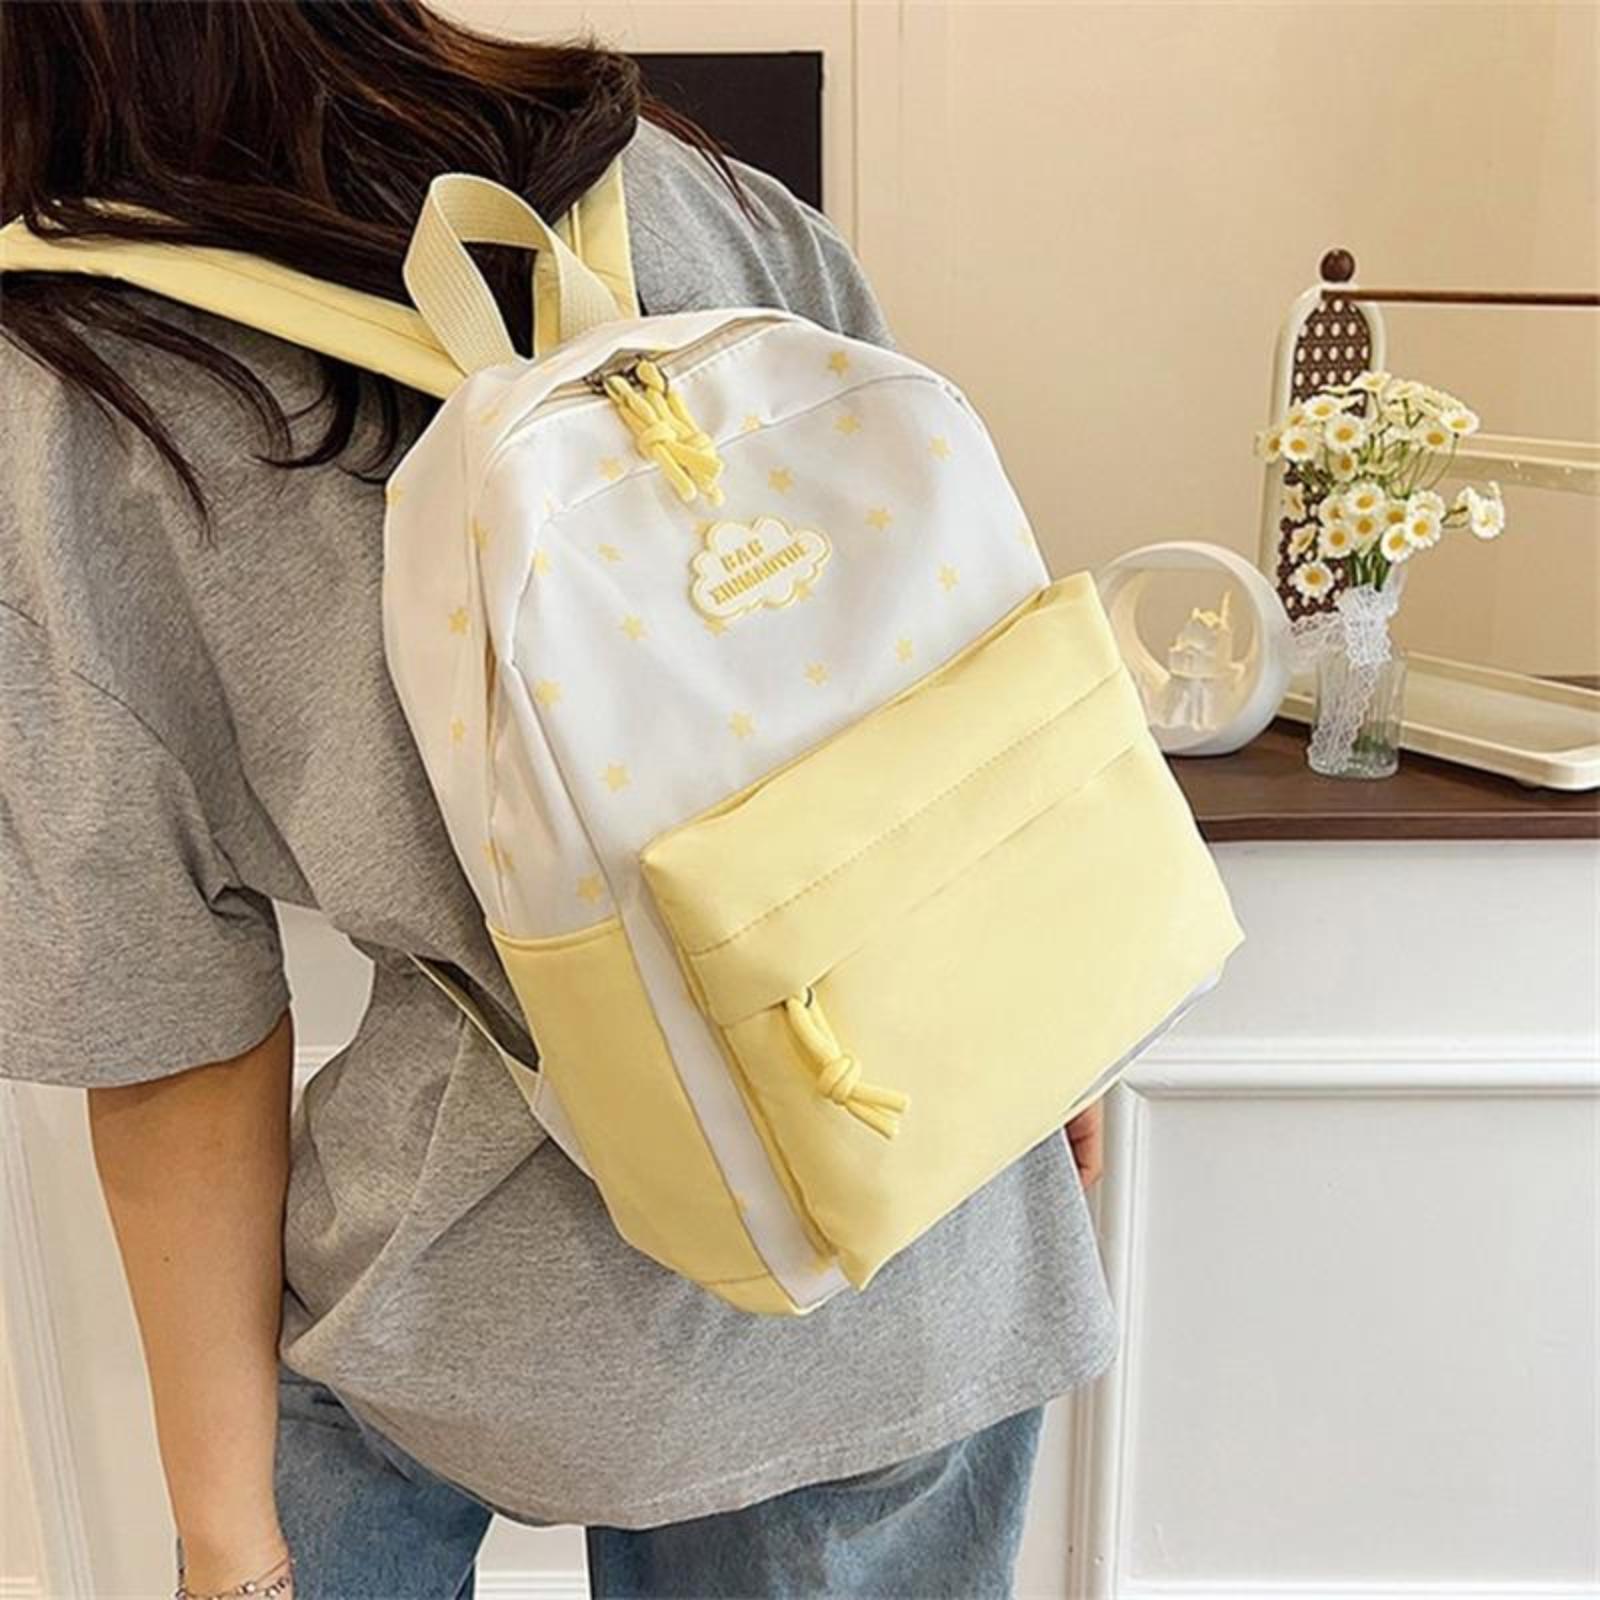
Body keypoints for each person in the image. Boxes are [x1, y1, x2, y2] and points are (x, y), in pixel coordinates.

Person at [0, 4, 1118, 1595]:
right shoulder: (661, 173)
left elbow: (172, 1042)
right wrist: (1043, 1035)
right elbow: (948, 637)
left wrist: (228, 1547)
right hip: (925, 1190)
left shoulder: (82, 392)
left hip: (492, 1267)